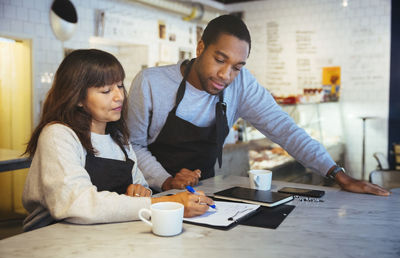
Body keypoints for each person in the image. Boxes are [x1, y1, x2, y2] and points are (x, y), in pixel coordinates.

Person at [127, 15, 390, 196]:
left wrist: (337, 174)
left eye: (237, 67)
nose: (226, 75)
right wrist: (167, 181)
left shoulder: (241, 85)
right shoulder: (150, 84)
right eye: (220, 59)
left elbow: (285, 130)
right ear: (200, 47)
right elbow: (132, 146)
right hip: (150, 196)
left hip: (203, 194)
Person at [22, 49, 213, 231]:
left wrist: (139, 192)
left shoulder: (119, 139)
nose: (119, 96)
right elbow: (78, 204)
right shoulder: (59, 135)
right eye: (106, 91)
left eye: (120, 86)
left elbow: (142, 188)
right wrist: (169, 202)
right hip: (52, 237)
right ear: (78, 98)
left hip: (103, 233)